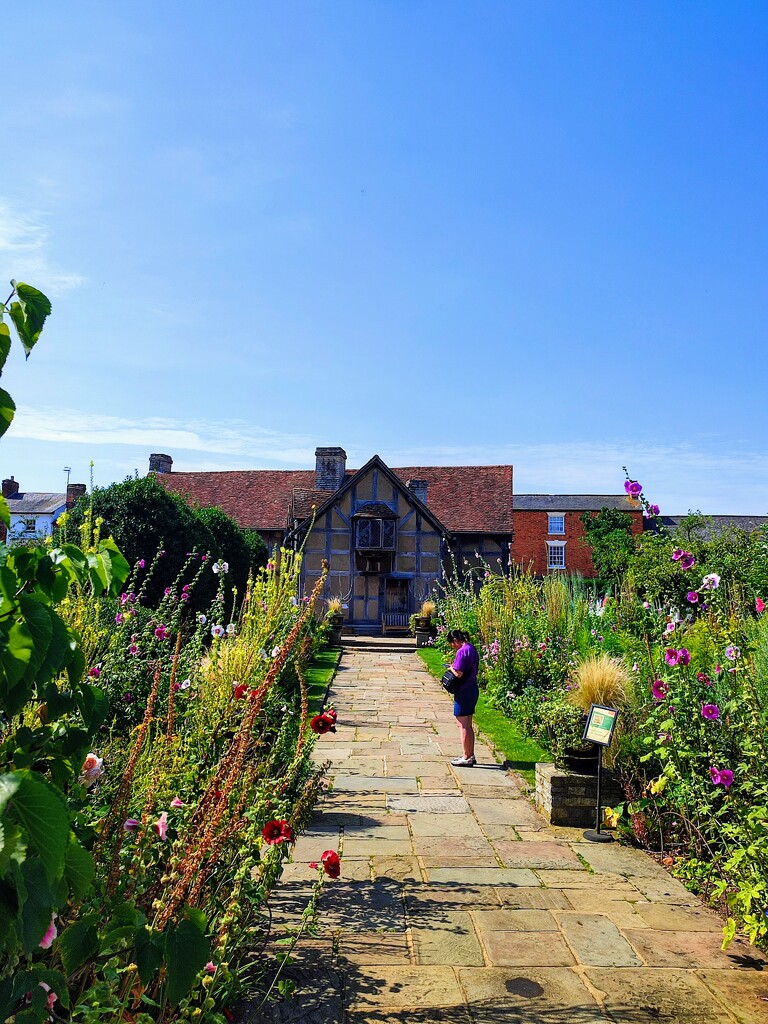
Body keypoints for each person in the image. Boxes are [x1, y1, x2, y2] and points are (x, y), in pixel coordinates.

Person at [445, 628, 479, 767]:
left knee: (463, 725)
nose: (453, 647)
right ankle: (470, 754)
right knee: (468, 725)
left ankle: (466, 756)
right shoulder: (472, 648)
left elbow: (458, 673)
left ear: (455, 641)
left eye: (452, 644)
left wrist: (450, 668)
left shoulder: (462, 651)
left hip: (464, 690)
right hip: (472, 688)